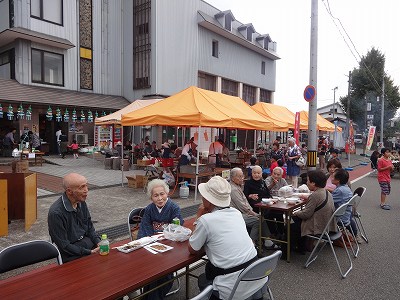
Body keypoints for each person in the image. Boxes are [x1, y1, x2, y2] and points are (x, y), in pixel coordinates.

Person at [188, 176, 266, 300]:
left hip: (231, 288)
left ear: (209, 200)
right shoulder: (236, 213)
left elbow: (192, 248)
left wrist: (199, 216)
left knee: (203, 278)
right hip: (255, 278)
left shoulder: (205, 220)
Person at [137, 179, 183, 300]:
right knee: (150, 272)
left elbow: (177, 230)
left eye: (162, 194)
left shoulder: (174, 208)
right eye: (155, 195)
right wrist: (149, 242)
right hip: (152, 246)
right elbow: (144, 229)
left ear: (167, 193)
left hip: (169, 247)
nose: (160, 198)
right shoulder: (149, 209)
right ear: (151, 197)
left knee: (162, 273)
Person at [48, 173, 100, 263]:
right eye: (81, 187)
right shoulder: (56, 213)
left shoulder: (81, 202)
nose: (86, 190)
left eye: (86, 186)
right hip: (72, 255)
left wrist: (98, 241)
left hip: (88, 246)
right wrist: (89, 252)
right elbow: (64, 246)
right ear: (69, 191)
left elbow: (90, 227)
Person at [291, 170, 336, 254]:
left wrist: (294, 213)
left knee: (292, 223)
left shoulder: (315, 195)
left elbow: (306, 214)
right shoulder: (325, 191)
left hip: (318, 226)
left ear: (313, 183)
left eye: (308, 180)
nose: (307, 182)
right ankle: (301, 247)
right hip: (327, 224)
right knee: (296, 220)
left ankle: (288, 251)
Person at [230, 168, 269, 246]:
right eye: (239, 176)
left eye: (242, 176)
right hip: (237, 213)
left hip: (247, 209)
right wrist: (252, 212)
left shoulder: (239, 185)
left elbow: (267, 193)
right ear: (233, 178)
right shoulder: (234, 189)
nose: (242, 178)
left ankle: (266, 240)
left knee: (262, 216)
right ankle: (252, 243)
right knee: (258, 219)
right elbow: (242, 205)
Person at [331, 169, 361, 244]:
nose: (331, 178)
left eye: (333, 177)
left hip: (340, 218)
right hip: (347, 215)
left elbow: (329, 202)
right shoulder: (346, 188)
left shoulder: (340, 191)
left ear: (338, 180)